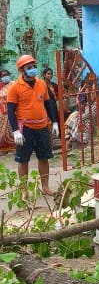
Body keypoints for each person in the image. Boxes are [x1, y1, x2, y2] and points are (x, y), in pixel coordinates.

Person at [6, 55, 59, 196]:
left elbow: (48, 104)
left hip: (42, 127)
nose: (33, 70)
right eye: (29, 68)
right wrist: (16, 131)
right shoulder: (15, 88)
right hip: (25, 129)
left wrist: (54, 122)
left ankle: (45, 187)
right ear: (21, 70)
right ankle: (24, 190)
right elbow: (10, 110)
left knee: (44, 157)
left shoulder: (41, 84)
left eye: (34, 67)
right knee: (23, 160)